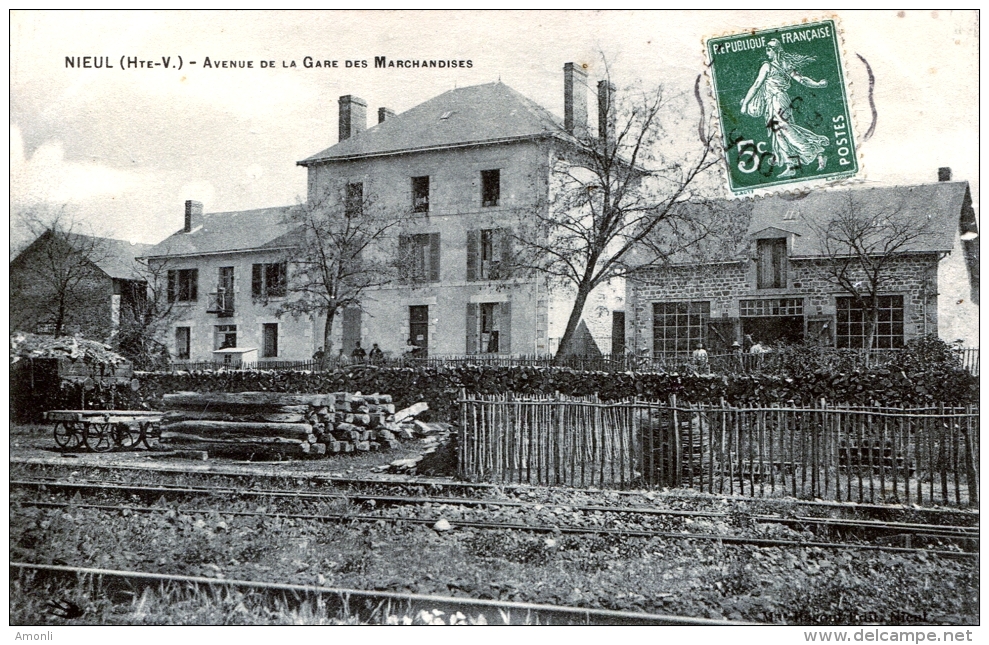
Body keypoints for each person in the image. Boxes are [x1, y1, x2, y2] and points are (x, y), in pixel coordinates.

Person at [740, 38, 830, 178]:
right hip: (779, 101)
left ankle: (815, 151)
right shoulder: (785, 64)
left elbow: (757, 85)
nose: (766, 52)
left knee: (784, 129)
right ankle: (792, 165)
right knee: (780, 132)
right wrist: (817, 84)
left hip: (777, 100)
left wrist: (745, 103)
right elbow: (802, 79)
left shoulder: (767, 66)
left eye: (769, 49)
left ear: (775, 50)